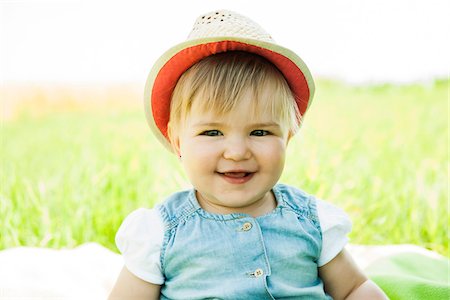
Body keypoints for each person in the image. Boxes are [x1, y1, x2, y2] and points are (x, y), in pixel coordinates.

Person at [108, 10, 387, 299]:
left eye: (260, 132)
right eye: (212, 133)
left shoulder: (310, 221)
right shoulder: (161, 233)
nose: (237, 152)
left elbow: (354, 288)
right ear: (177, 142)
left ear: (286, 138)